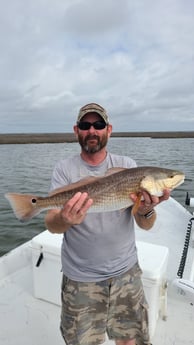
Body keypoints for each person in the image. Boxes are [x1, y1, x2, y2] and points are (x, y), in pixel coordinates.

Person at [45, 103, 170, 345]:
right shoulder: (64, 169)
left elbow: (145, 225)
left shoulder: (128, 165)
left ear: (109, 130)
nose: (92, 130)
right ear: (76, 130)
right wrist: (64, 218)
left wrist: (146, 209)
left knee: (130, 339)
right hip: (80, 277)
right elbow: (52, 224)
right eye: (85, 125)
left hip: (126, 272)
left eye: (99, 125)